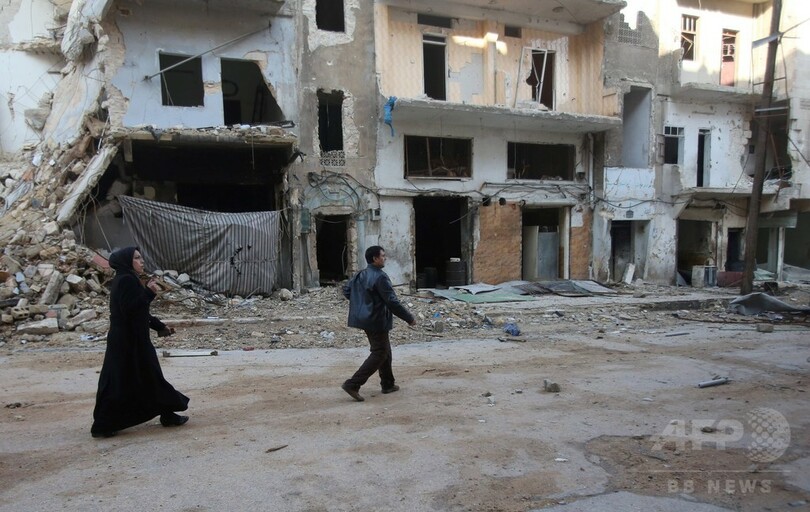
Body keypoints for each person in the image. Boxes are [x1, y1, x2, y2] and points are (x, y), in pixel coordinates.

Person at [90, 246, 190, 438]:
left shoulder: (127, 278)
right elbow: (129, 309)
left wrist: (159, 326)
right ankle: (103, 424)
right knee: (123, 381)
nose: (142, 261)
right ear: (127, 261)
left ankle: (167, 414)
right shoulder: (126, 280)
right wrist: (149, 293)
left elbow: (141, 312)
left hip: (131, 339)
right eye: (137, 258)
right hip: (128, 342)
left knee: (146, 377)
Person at [341, 246, 416, 402]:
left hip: (365, 318)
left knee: (385, 350)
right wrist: (409, 318)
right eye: (383, 256)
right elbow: (392, 302)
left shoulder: (360, 274)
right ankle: (353, 384)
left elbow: (347, 291)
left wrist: (363, 302)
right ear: (375, 259)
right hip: (376, 319)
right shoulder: (380, 277)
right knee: (380, 352)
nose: (385, 258)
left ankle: (388, 384)